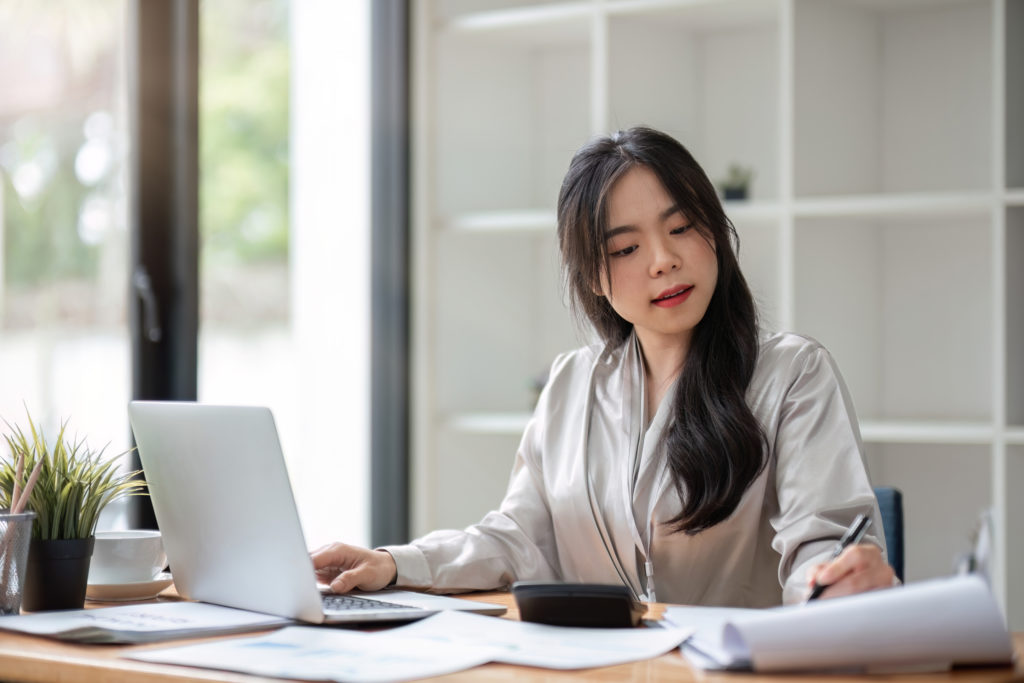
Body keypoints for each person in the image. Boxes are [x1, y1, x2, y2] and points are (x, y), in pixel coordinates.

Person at [312, 126, 895, 607]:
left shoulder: (792, 374)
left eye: (681, 228)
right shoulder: (572, 383)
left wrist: (839, 580)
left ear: (715, 232)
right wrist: (394, 563)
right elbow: (518, 539)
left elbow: (823, 553)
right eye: (626, 249)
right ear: (594, 274)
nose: (664, 261)